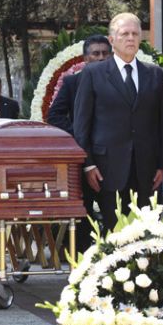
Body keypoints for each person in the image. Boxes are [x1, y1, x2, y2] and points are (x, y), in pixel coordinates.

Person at [73, 13, 163, 232]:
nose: (130, 38)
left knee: (147, 233)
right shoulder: (93, 73)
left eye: (135, 33)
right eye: (124, 34)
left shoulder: (155, 75)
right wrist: (88, 163)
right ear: (111, 40)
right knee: (114, 231)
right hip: (107, 167)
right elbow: (82, 123)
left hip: (147, 170)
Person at [47, 34, 111, 253]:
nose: (101, 58)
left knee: (113, 214)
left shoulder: (118, 82)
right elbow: (54, 115)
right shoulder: (73, 82)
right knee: (82, 213)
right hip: (82, 159)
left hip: (111, 159)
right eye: (96, 53)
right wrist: (79, 135)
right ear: (85, 58)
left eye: (105, 53)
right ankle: (82, 260)